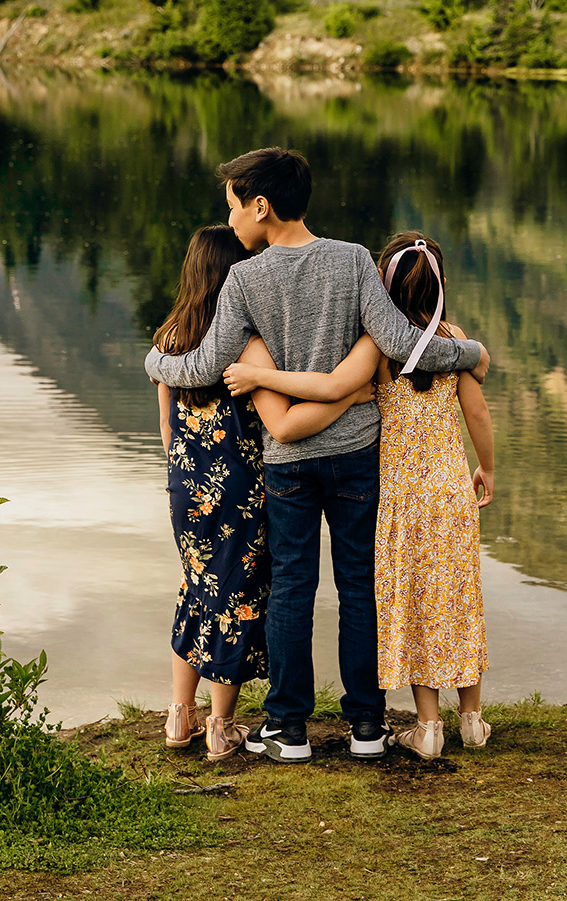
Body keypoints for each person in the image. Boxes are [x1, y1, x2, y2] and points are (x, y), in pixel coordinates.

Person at [143, 148, 489, 764]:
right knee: (359, 585)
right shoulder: (355, 260)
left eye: (233, 207)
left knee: (292, 589)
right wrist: (470, 353)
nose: (231, 221)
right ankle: (366, 728)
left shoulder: (245, 280)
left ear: (261, 206)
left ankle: (289, 729)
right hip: (356, 451)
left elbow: (203, 366)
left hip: (286, 460)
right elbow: (406, 345)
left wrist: (154, 363)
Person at [225, 231, 496, 761]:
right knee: (381, 590)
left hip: (367, 484)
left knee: (310, 588)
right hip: (407, 477)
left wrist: (262, 379)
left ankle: (300, 724)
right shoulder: (439, 336)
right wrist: (485, 462)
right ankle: (379, 724)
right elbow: (477, 412)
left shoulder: (371, 343)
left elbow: (322, 390)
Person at [153, 225, 371, 762]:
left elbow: (166, 428)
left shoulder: (168, 340)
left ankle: (181, 716)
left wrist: (187, 470)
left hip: (186, 486)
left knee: (197, 588)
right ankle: (220, 723)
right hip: (240, 489)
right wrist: (354, 395)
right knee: (238, 597)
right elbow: (280, 424)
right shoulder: (247, 344)